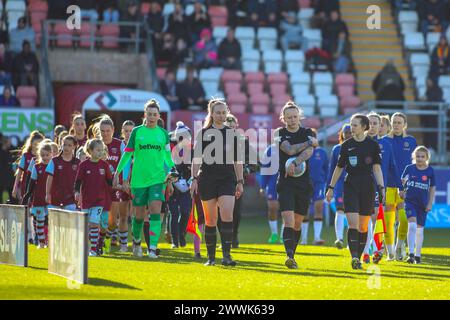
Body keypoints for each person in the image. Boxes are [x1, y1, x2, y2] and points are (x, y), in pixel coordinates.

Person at [114, 99, 177, 258]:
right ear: (145, 115)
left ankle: (152, 248)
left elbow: (167, 157)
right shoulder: (136, 132)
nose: (151, 117)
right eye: (149, 114)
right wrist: (117, 172)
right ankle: (136, 242)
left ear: (158, 116)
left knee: (156, 210)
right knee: (139, 215)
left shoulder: (163, 134)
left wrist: (173, 169)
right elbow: (127, 154)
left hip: (158, 179)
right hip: (139, 181)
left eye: (154, 114)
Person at [326, 114, 385, 270]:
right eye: (351, 125)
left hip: (367, 186)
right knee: (353, 224)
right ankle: (354, 258)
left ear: (364, 127)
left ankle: (358, 257)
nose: (352, 128)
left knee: (363, 227)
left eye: (355, 125)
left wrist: (382, 187)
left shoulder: (373, 146)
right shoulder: (346, 146)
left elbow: (377, 168)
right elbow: (339, 168)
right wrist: (330, 188)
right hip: (350, 185)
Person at [190, 98, 244, 266]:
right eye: (218, 112)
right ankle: (211, 258)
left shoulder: (233, 133)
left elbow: (238, 160)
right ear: (211, 114)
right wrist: (193, 179)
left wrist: (240, 181)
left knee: (227, 214)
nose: (221, 115)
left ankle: (227, 256)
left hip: (227, 179)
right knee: (210, 220)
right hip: (207, 179)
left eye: (223, 112)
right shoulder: (203, 133)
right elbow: (196, 159)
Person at [274, 101, 318, 269]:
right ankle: (289, 256)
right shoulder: (279, 133)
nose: (292, 120)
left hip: (303, 183)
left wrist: (296, 163)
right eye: (288, 117)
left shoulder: (308, 131)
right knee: (288, 221)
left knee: (298, 223)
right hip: (285, 182)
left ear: (299, 116)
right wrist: (308, 143)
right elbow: (289, 150)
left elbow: (309, 152)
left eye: (294, 116)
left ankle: (293, 253)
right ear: (283, 118)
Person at [362, 112, 402, 264]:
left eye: (375, 123)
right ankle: (365, 252)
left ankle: (377, 250)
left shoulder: (386, 145)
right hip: (361, 186)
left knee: (376, 218)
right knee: (364, 219)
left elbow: (392, 167)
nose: (372, 126)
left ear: (380, 126)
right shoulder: (360, 142)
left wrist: (400, 187)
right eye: (370, 123)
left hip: (379, 187)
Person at [384, 112, 417, 261]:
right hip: (389, 185)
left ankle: (399, 246)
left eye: (399, 122)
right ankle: (390, 252)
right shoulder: (384, 141)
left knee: (404, 220)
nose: (396, 125)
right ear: (391, 124)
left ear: (404, 125)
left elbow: (415, 164)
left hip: (405, 187)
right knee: (389, 220)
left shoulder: (411, 141)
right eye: (394, 122)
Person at [95, 115, 129, 253]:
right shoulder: (96, 145)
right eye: (102, 131)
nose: (105, 133)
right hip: (98, 188)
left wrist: (125, 179)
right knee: (98, 219)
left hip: (115, 187)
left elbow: (126, 162)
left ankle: (105, 239)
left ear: (113, 130)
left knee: (112, 221)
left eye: (107, 130)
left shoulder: (119, 144)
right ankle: (99, 243)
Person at [75, 138, 113, 256]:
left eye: (102, 150)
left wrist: (117, 184)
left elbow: (109, 181)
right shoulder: (83, 165)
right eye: (97, 150)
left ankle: (93, 249)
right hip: (86, 200)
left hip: (99, 200)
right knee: (86, 225)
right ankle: (86, 247)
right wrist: (76, 192)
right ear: (90, 151)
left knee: (94, 223)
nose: (100, 152)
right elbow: (78, 181)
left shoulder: (105, 165)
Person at [400, 146, 436, 264]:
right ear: (414, 157)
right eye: (418, 156)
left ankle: (417, 256)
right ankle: (410, 254)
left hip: (423, 204)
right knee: (412, 226)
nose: (420, 159)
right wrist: (401, 191)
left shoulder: (430, 171)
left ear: (427, 158)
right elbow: (402, 183)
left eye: (422, 157)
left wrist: (430, 203)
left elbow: (432, 188)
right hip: (410, 202)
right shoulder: (409, 168)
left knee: (420, 231)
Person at [21, 141, 52, 249]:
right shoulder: (36, 167)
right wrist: (27, 194)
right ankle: (41, 242)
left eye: (47, 155)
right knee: (39, 221)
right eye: (43, 155)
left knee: (49, 221)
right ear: (39, 155)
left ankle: (49, 241)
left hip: (51, 199)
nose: (45, 157)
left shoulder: (54, 166)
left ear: (51, 154)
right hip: (38, 198)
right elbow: (32, 182)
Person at [168, 121, 192, 249]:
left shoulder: (193, 151)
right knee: (174, 213)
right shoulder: (170, 148)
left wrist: (192, 181)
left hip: (187, 186)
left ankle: (182, 233)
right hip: (172, 185)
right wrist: (172, 181)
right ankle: (174, 240)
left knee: (185, 212)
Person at [301, 129, 328, 245]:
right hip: (305, 183)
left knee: (319, 207)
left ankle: (317, 237)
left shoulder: (322, 152)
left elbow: (326, 169)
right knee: (304, 210)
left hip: (319, 184)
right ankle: (304, 239)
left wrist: (326, 183)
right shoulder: (302, 152)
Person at [327, 123, 351, 249]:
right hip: (340, 184)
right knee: (340, 209)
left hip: (353, 184)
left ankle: (350, 241)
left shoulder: (359, 148)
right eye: (346, 132)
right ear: (342, 134)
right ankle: (339, 239)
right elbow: (332, 170)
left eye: (350, 132)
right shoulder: (337, 149)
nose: (348, 134)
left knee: (351, 212)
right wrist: (329, 187)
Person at [45, 135, 80, 211]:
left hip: (71, 200)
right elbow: (49, 178)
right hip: (55, 199)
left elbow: (80, 181)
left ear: (74, 146)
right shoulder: (54, 161)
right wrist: (48, 194)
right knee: (55, 222)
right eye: (64, 144)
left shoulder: (78, 163)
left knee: (69, 222)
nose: (66, 147)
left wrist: (79, 194)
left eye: (69, 145)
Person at [12, 131, 44, 203]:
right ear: (31, 144)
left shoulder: (44, 157)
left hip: (39, 188)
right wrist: (15, 188)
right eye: (35, 144)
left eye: (39, 144)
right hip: (26, 187)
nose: (37, 147)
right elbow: (19, 173)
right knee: (26, 207)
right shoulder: (26, 156)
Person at [257, 143, 280, 244]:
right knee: (272, 208)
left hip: (287, 184)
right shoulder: (270, 150)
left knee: (287, 209)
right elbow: (265, 168)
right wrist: (262, 186)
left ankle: (284, 234)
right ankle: (274, 233)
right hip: (272, 184)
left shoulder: (291, 148)